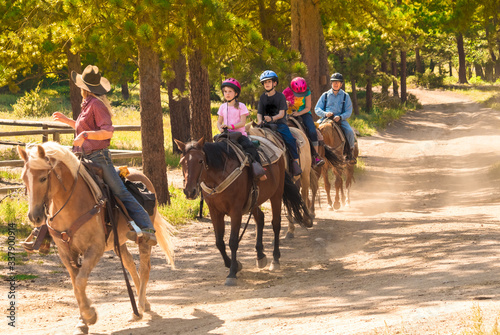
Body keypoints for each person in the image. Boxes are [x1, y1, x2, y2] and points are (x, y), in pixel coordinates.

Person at [53, 65, 157, 246]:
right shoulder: (87, 105)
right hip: (83, 157)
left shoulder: (96, 105)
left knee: (120, 192)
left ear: (84, 87)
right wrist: (68, 121)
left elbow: (107, 132)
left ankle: (147, 228)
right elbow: (85, 129)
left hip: (98, 159)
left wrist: (85, 136)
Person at [216, 78, 267, 181]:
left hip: (239, 135)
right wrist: (220, 128)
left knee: (250, 148)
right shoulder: (222, 107)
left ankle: (260, 171)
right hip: (225, 135)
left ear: (236, 93)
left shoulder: (241, 106)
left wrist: (231, 126)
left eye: (230, 91)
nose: (227, 94)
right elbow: (218, 121)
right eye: (225, 91)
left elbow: (243, 123)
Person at [257, 70, 302, 176]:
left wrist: (272, 119)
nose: (267, 84)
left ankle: (295, 162)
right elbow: (259, 113)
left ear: (275, 83)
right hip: (265, 125)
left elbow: (282, 114)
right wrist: (259, 121)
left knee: (290, 139)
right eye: (265, 82)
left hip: (280, 124)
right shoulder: (262, 97)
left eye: (269, 82)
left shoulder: (280, 97)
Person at [314, 73, 356, 164]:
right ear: (331, 83)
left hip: (340, 120)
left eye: (338, 82)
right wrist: (325, 113)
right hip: (325, 119)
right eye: (334, 82)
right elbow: (317, 109)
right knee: (314, 130)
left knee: (349, 132)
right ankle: (314, 154)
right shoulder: (325, 95)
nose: (335, 84)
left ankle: (350, 153)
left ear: (341, 84)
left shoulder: (346, 96)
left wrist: (341, 117)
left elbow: (349, 111)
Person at [283, 77, 325, 167]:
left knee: (312, 131)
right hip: (288, 113)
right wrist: (286, 105)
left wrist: (298, 113)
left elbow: (308, 107)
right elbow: (281, 106)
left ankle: (316, 156)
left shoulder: (308, 92)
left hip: (304, 113)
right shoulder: (286, 92)